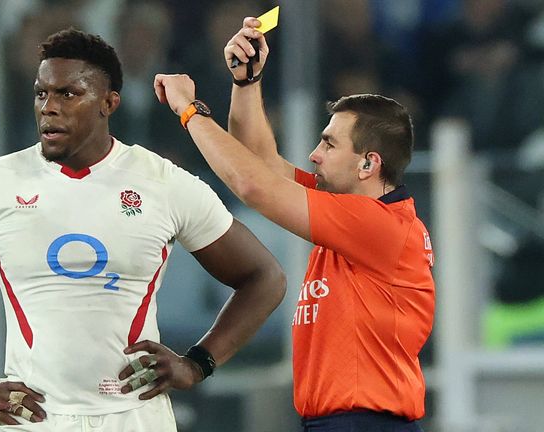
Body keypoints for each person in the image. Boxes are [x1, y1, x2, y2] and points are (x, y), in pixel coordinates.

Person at [0, 28, 286, 431]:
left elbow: (265, 277)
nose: (49, 107)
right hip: (32, 420)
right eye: (41, 93)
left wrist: (198, 363)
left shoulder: (163, 183)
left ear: (108, 103)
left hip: (134, 418)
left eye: (68, 94)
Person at [153, 16, 435, 432]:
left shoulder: (379, 224)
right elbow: (259, 160)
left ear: (368, 164)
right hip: (339, 422)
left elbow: (252, 184)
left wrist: (189, 111)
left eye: (329, 144)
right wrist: (246, 83)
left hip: (364, 424)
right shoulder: (348, 210)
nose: (314, 154)